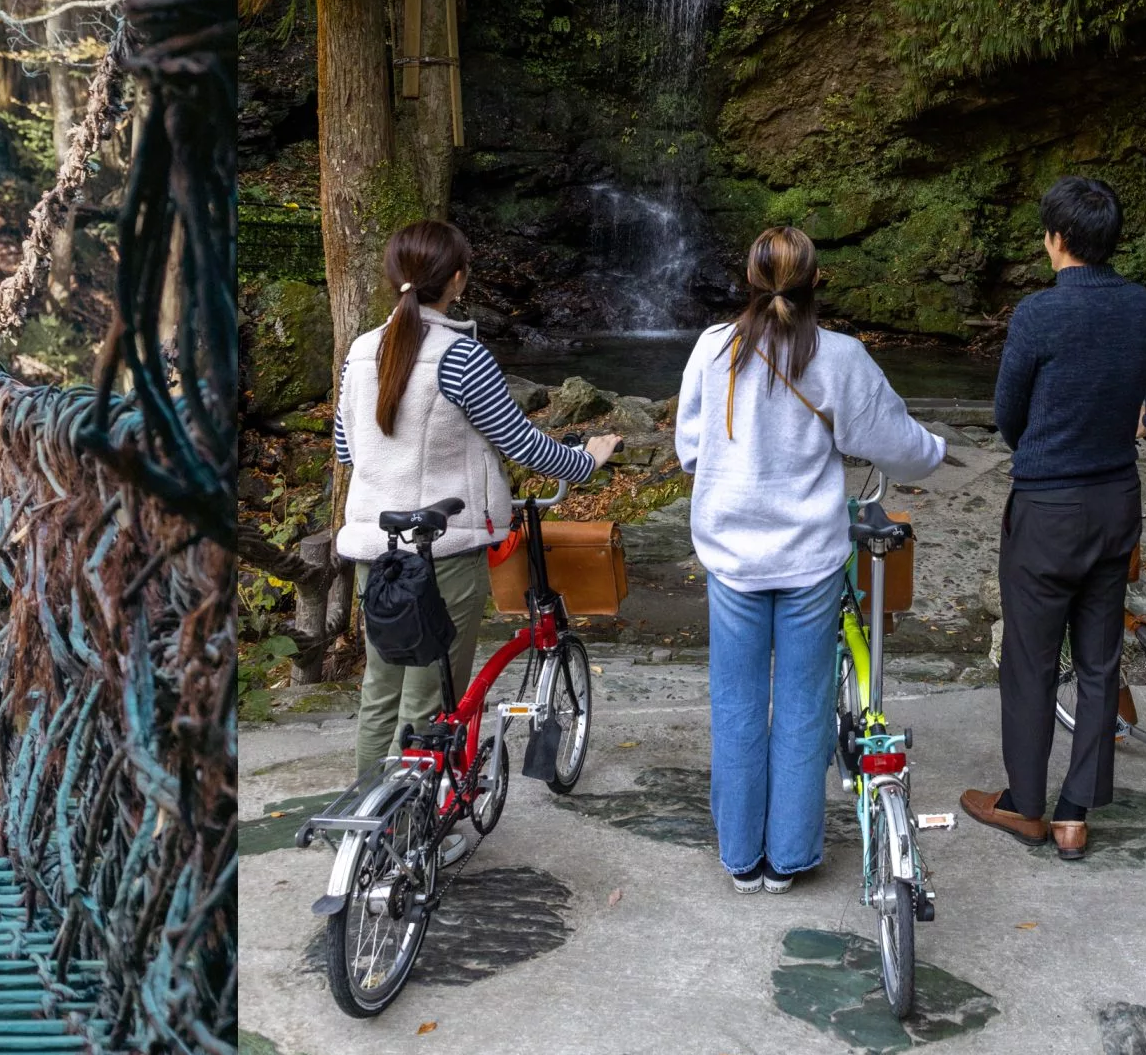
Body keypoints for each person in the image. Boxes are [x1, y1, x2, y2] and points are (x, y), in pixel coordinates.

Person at [674, 225, 945, 893]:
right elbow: (895, 440)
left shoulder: (713, 349)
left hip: (732, 557)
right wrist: (942, 452)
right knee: (802, 704)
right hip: (810, 559)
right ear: (815, 281)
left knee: (736, 706)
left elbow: (689, 450)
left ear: (749, 278)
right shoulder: (841, 357)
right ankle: (788, 858)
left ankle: (741, 856)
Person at [333, 221, 618, 782]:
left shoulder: (361, 352)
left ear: (395, 278)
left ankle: (367, 824)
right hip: (445, 550)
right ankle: (411, 834)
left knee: (381, 689)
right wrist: (589, 460)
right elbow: (521, 443)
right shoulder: (461, 356)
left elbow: (347, 449)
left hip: (375, 546)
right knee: (432, 694)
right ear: (457, 279)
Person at [963, 176, 1146, 862]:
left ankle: (1026, 804)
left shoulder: (1038, 314)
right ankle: (1075, 814)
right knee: (1097, 661)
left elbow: (1007, 415)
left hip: (1047, 509)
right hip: (1115, 502)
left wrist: (1038, 446)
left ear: (1056, 239)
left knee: (1030, 661)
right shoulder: (1142, 308)